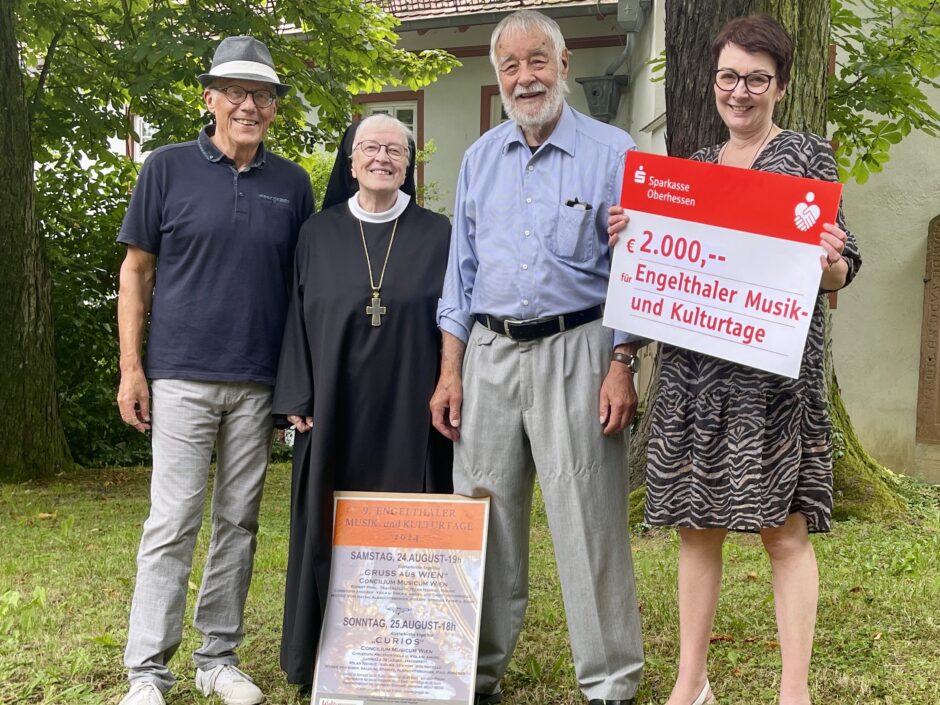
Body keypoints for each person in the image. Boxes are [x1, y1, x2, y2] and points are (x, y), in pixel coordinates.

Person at [610, 14, 862, 705]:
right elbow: (651, 278)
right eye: (729, 76)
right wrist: (632, 239)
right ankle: (691, 682)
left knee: (783, 533)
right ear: (713, 81)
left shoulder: (809, 158)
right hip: (696, 380)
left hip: (775, 384)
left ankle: (794, 690)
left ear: (779, 87)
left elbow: (841, 271)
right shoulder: (687, 172)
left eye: (757, 78)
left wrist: (831, 263)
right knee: (697, 529)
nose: (740, 91)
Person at [431, 10, 644, 705]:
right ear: (500, 76)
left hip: (578, 349)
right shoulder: (479, 158)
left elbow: (637, 269)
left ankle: (610, 681)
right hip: (489, 354)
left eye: (537, 61)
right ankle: (475, 673)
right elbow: (459, 276)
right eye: (511, 66)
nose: (525, 77)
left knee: (589, 517)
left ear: (563, 65)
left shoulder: (613, 152)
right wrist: (450, 369)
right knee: (480, 515)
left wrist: (622, 362)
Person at [115, 36, 313, 705]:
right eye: (235, 91)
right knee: (171, 521)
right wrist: (130, 368)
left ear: (275, 108)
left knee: (239, 520)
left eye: (262, 95)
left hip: (256, 380)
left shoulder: (292, 185)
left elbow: (301, 290)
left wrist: (295, 386)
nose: (249, 105)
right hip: (179, 376)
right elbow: (135, 273)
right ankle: (147, 671)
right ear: (210, 99)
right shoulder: (166, 168)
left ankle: (216, 657)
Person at [273, 114, 453, 695]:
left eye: (394, 149)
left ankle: (413, 656)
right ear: (349, 162)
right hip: (333, 410)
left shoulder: (439, 233)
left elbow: (456, 320)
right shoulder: (316, 233)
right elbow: (294, 319)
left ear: (409, 163)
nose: (382, 158)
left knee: (410, 522)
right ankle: (325, 655)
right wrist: (296, 394)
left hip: (411, 408)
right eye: (369, 148)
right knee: (327, 523)